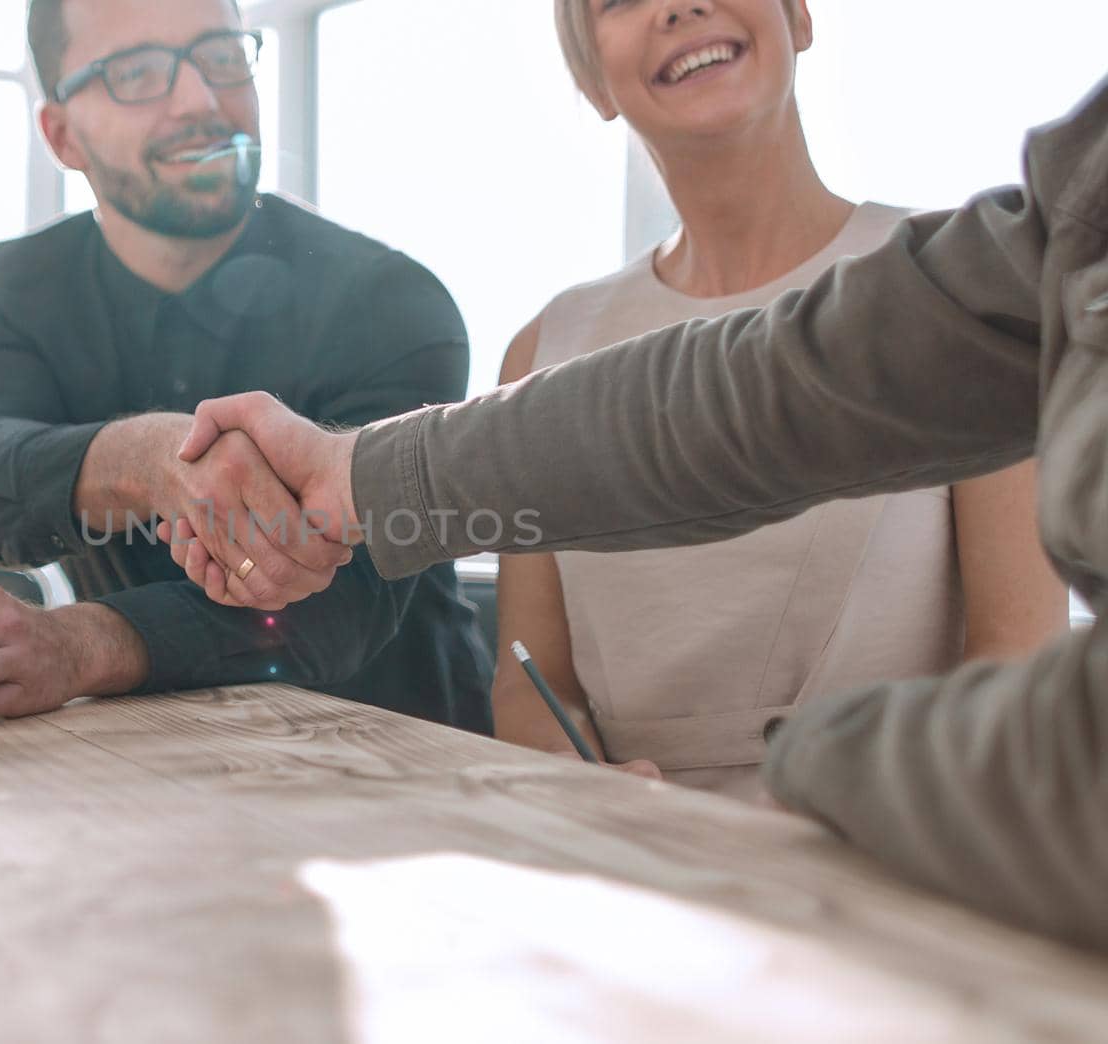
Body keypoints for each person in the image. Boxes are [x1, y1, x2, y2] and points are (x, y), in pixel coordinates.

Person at [163, 75, 1108, 950]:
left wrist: (812, 781)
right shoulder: (1029, 247)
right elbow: (760, 392)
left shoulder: (974, 265)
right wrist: (356, 473)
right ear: (590, 76)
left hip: (912, 905)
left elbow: (1030, 683)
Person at [0, 0, 492, 731]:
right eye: (138, 72)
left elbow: (342, 602)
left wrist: (78, 643)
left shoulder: (389, 299)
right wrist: (145, 460)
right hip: (133, 762)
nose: (200, 100)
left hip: (403, 766)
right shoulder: (17, 287)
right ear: (62, 135)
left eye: (220, 56)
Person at [483, 0, 1065, 797]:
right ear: (592, 80)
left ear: (798, 15)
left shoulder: (960, 295)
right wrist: (571, 781)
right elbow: (531, 676)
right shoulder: (543, 352)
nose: (679, 4)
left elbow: (1020, 653)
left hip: (898, 869)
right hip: (626, 881)